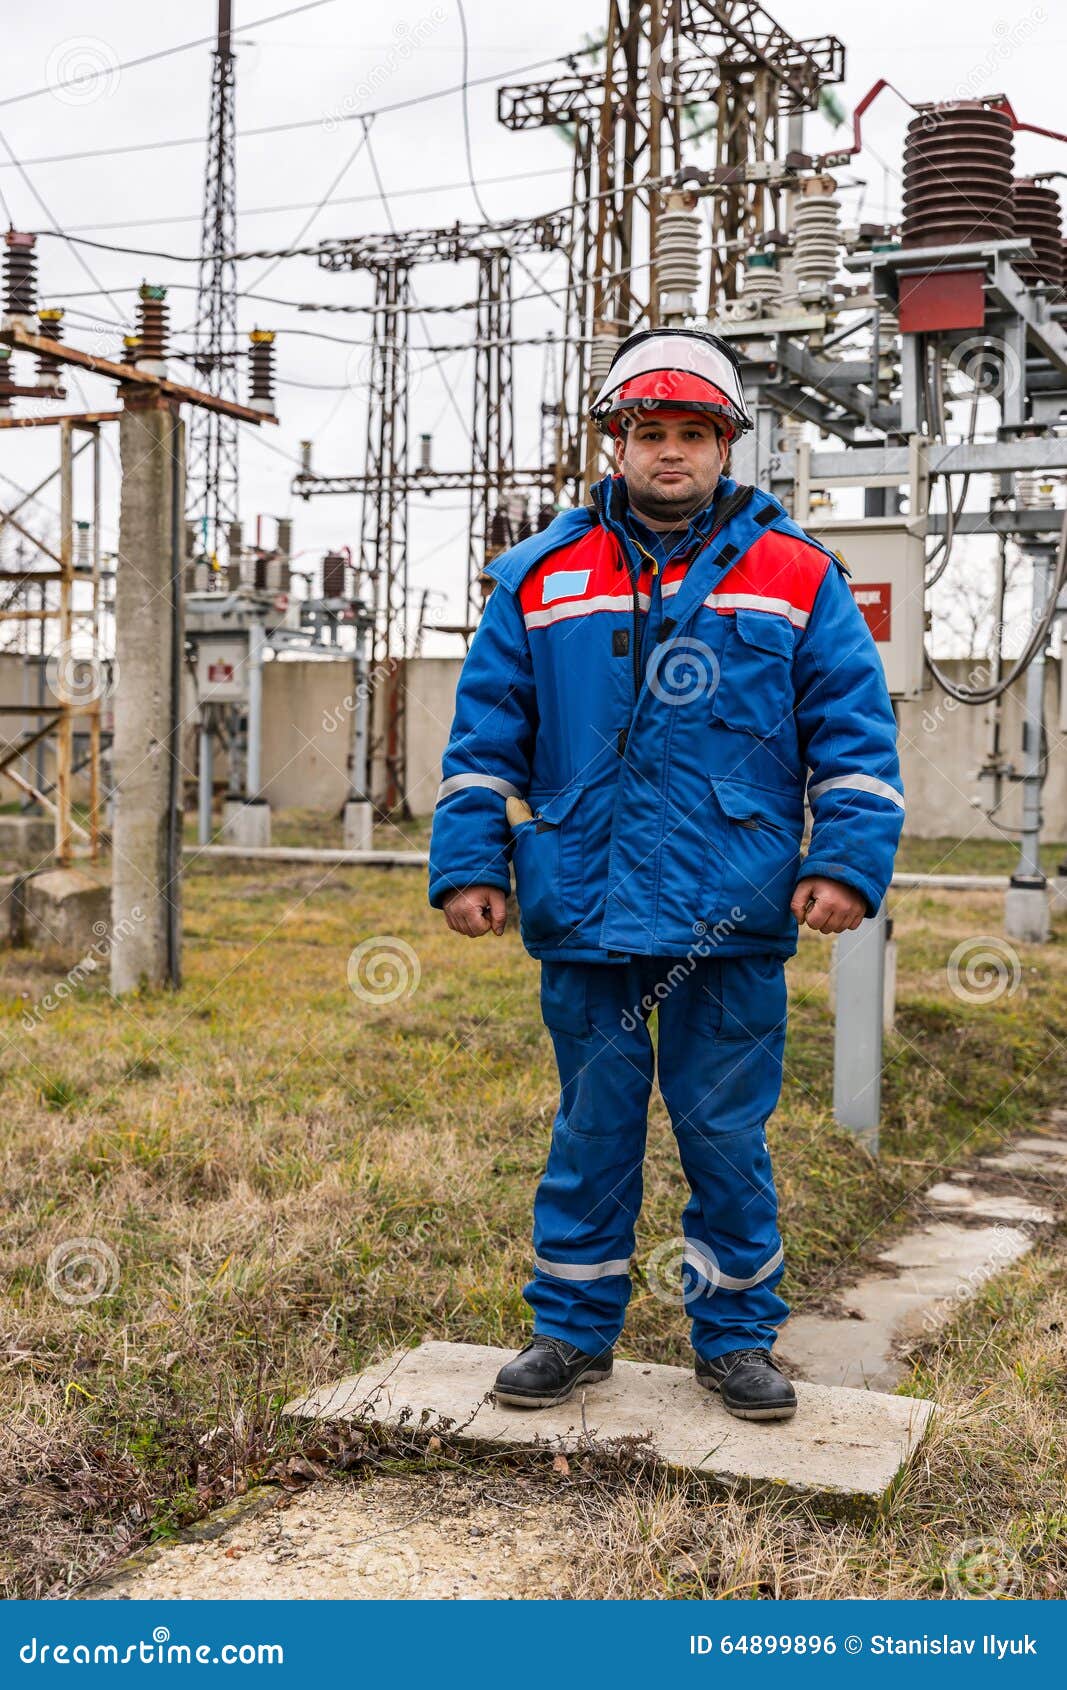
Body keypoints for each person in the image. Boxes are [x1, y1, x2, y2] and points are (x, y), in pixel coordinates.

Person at [428, 327, 904, 1423]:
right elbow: (484, 738)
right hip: (584, 901)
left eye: (693, 432)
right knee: (590, 1130)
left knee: (723, 1135)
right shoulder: (540, 577)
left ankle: (735, 1340)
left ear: (726, 444)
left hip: (729, 906)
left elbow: (853, 736)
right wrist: (469, 862)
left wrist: (843, 861)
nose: (671, 451)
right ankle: (569, 1331)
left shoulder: (795, 575)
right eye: (650, 432)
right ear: (617, 442)